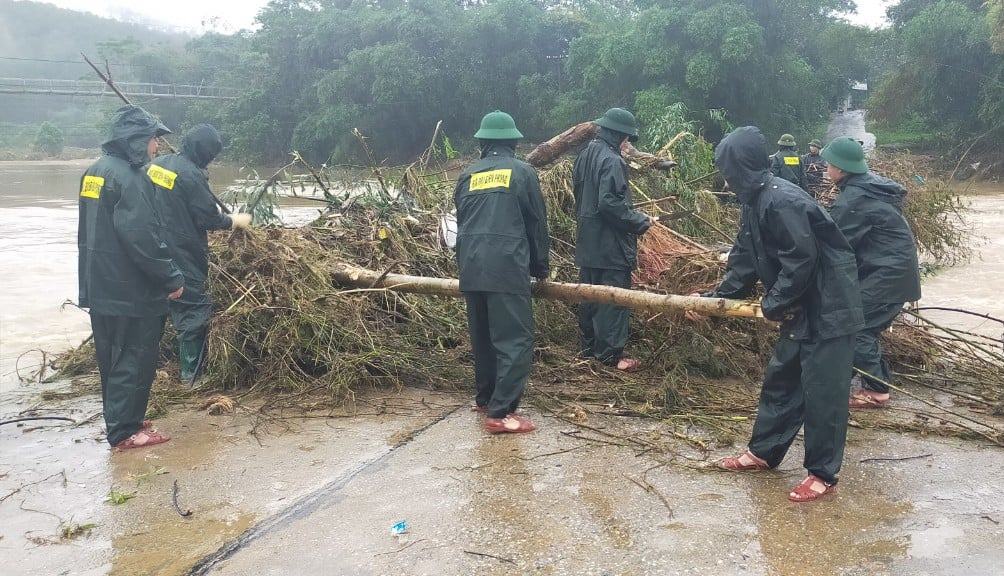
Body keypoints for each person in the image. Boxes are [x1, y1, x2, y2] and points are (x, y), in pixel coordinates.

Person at [703, 126, 864, 502]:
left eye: (727, 169)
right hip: (800, 305)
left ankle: (823, 474)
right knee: (782, 379)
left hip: (829, 308)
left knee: (823, 393)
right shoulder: (754, 200)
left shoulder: (782, 201)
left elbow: (801, 260)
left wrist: (774, 302)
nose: (725, 178)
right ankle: (763, 451)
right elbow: (745, 254)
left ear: (741, 166)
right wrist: (720, 296)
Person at [78, 105, 184, 450]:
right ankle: (126, 431)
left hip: (100, 285)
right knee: (135, 357)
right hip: (130, 289)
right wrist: (171, 277)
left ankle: (122, 417)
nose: (157, 146)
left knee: (111, 357)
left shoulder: (95, 171)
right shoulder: (131, 178)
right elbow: (142, 237)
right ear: (136, 140)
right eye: (154, 139)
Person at [454, 110, 550, 434]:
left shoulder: (466, 175)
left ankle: (485, 400)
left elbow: (462, 221)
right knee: (515, 340)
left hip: (470, 267)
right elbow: (535, 223)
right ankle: (502, 413)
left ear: (482, 144)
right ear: (513, 142)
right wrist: (540, 267)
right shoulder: (522, 172)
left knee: (483, 338)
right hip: (506, 267)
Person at [149, 124, 252, 385]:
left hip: (151, 250)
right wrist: (234, 221)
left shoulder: (159, 164)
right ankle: (192, 377)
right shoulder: (191, 176)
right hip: (182, 252)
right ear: (205, 153)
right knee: (194, 308)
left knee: (157, 310)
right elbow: (208, 218)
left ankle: (148, 371)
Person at [822, 137, 921, 408]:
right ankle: (872, 381)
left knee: (857, 328)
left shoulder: (854, 199)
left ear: (841, 170)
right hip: (892, 274)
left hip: (887, 277)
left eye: (829, 165)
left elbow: (835, 243)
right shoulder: (868, 188)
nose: (825, 169)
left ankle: (877, 392)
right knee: (864, 327)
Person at [572, 108, 656, 371]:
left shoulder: (584, 156)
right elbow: (609, 204)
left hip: (588, 242)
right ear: (620, 136)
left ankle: (589, 349)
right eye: (627, 138)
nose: (627, 144)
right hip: (611, 246)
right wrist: (640, 220)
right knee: (613, 299)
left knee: (590, 295)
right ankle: (610, 357)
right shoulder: (612, 160)